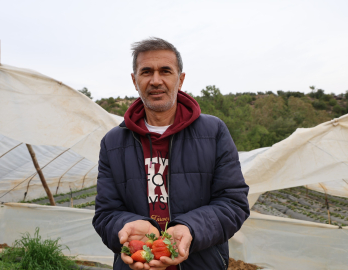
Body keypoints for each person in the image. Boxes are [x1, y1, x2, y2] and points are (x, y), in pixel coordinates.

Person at [93, 37, 250, 270]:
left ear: (180, 79)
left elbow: (233, 203)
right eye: (146, 72)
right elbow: (106, 213)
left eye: (165, 71)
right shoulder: (113, 142)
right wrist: (128, 226)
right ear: (135, 81)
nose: (156, 80)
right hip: (137, 264)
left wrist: (190, 228)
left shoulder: (213, 132)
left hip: (201, 263)